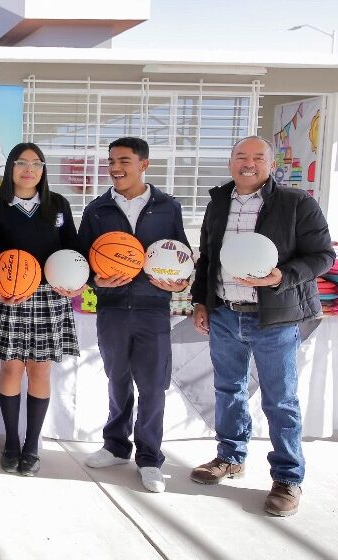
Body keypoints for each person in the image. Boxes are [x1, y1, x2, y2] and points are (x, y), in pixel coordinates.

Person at [189, 136, 335, 517]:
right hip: (225, 314)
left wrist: (281, 277)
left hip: (275, 318)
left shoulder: (296, 203)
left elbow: (323, 256)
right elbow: (207, 258)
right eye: (241, 156)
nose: (248, 163)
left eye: (258, 157)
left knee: (279, 399)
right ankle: (230, 457)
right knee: (228, 390)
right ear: (230, 163)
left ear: (272, 165)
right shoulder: (218, 203)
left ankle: (287, 477)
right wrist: (200, 301)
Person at [76, 137, 190, 493]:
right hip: (111, 308)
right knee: (117, 380)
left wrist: (180, 281)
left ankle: (150, 458)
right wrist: (94, 280)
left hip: (153, 308)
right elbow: (81, 260)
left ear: (144, 164)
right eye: (111, 161)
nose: (115, 167)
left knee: (153, 385)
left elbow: (181, 254)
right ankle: (115, 446)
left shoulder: (168, 208)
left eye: (124, 160)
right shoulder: (97, 210)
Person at [0, 143, 82, 477]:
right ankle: (11, 442)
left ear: (43, 169)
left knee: (40, 369)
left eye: (36, 163)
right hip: (9, 297)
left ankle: (32, 445)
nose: (29, 169)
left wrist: (77, 281)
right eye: (22, 163)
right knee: (10, 368)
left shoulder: (57, 205)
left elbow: (72, 248)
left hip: (49, 296)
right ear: (10, 167)